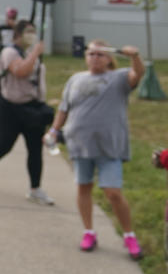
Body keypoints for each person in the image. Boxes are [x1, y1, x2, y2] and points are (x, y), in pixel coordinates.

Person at [46, 40, 145, 257]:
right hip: (80, 145)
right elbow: (64, 109)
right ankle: (89, 232)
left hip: (109, 147)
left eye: (100, 55)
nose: (95, 58)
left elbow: (137, 74)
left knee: (113, 193)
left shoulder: (118, 78)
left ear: (109, 58)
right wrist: (54, 131)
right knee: (84, 188)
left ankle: (129, 236)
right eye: (91, 54)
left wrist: (135, 56)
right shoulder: (75, 79)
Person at [0, 20, 54, 205]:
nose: (32, 35)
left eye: (34, 31)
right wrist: (35, 53)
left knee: (35, 150)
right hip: (10, 108)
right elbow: (21, 72)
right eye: (28, 31)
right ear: (17, 34)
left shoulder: (28, 53)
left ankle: (35, 189)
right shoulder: (9, 52)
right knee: (4, 145)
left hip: (32, 107)